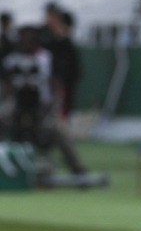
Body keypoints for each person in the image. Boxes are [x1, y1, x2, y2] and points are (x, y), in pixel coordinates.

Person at [0, 26, 87, 176]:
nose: (26, 43)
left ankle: (78, 169)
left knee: (59, 130)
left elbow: (56, 85)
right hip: (16, 106)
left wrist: (55, 106)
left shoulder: (46, 58)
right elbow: (7, 86)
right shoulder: (11, 60)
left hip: (42, 107)